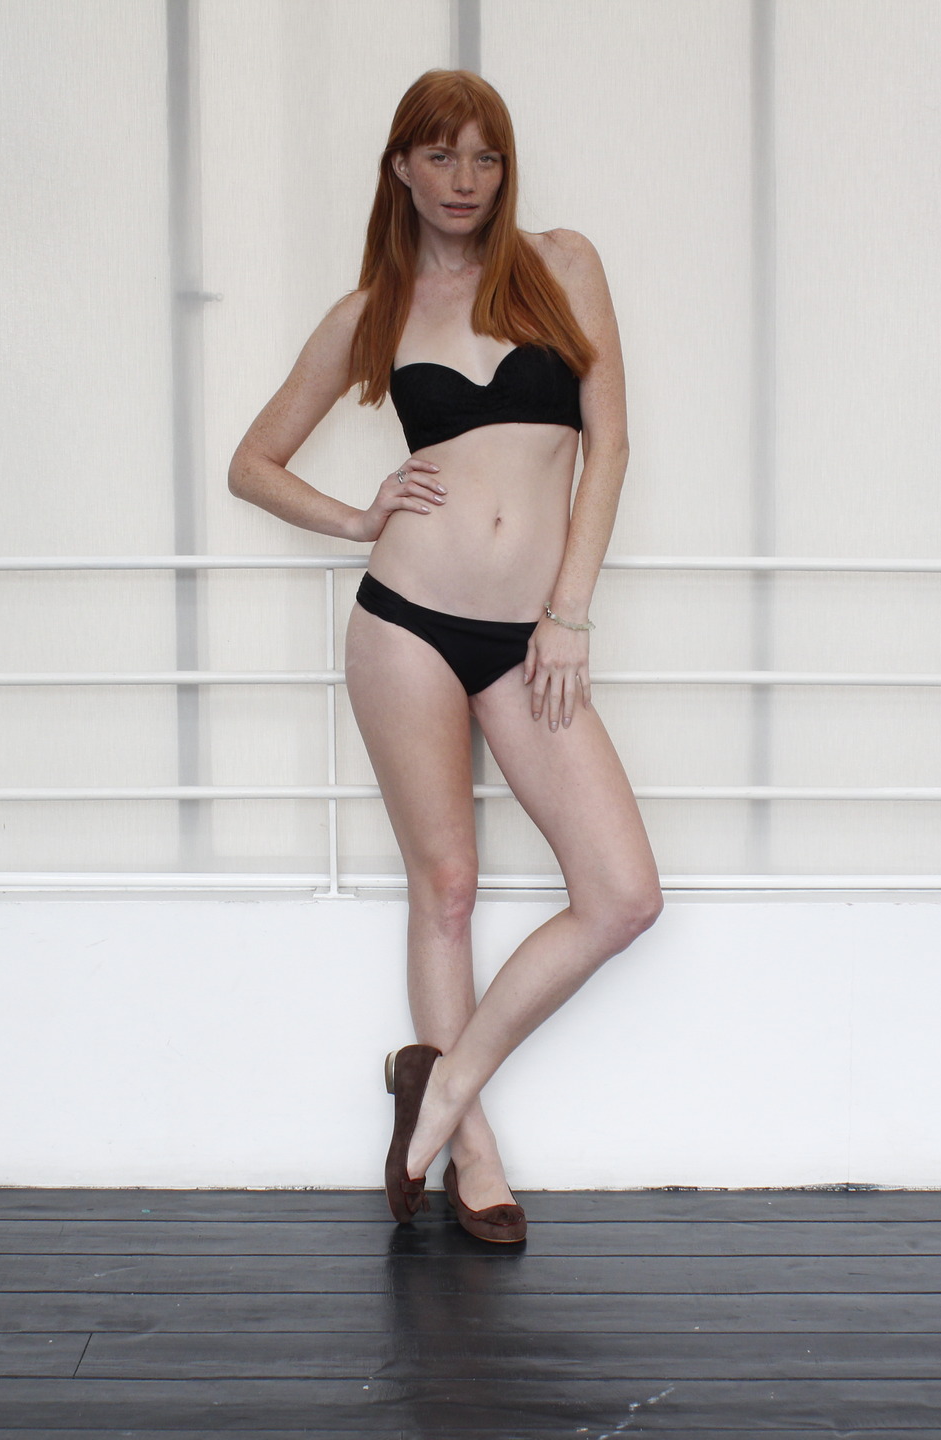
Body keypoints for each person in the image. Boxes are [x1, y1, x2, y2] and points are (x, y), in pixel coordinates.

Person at [227, 69, 661, 1243]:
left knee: (623, 895)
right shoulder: (376, 310)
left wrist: (568, 611)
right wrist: (354, 518)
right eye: (440, 156)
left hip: (531, 638)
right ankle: (473, 1156)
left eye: (485, 156)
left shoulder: (563, 267)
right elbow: (252, 463)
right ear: (400, 169)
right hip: (406, 623)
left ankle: (441, 1083)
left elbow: (611, 447)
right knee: (449, 887)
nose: (465, 180)